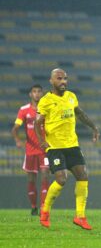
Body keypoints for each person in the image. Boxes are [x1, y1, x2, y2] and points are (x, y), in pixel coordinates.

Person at [34, 68, 100, 230]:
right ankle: (45, 211)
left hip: (72, 145)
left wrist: (94, 127)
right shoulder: (46, 100)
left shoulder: (71, 97)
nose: (63, 81)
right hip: (55, 147)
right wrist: (42, 141)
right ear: (52, 81)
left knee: (83, 176)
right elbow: (37, 123)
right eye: (59, 78)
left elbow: (80, 113)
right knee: (62, 179)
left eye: (65, 78)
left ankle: (80, 216)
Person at [11, 84, 49, 216]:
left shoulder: (46, 109)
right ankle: (34, 207)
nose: (37, 94)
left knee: (45, 176)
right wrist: (17, 140)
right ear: (30, 94)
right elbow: (15, 128)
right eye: (34, 91)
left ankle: (44, 207)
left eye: (39, 91)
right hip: (30, 151)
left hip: (44, 150)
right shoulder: (24, 110)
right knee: (31, 179)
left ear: (42, 94)